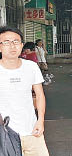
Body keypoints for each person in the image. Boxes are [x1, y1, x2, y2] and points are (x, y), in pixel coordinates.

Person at [0, 26, 49, 156]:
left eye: (16, 42)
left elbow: (39, 95)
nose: (12, 46)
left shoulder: (31, 67)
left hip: (32, 131)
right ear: (0, 47)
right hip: (5, 134)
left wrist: (41, 120)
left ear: (22, 45)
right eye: (6, 42)